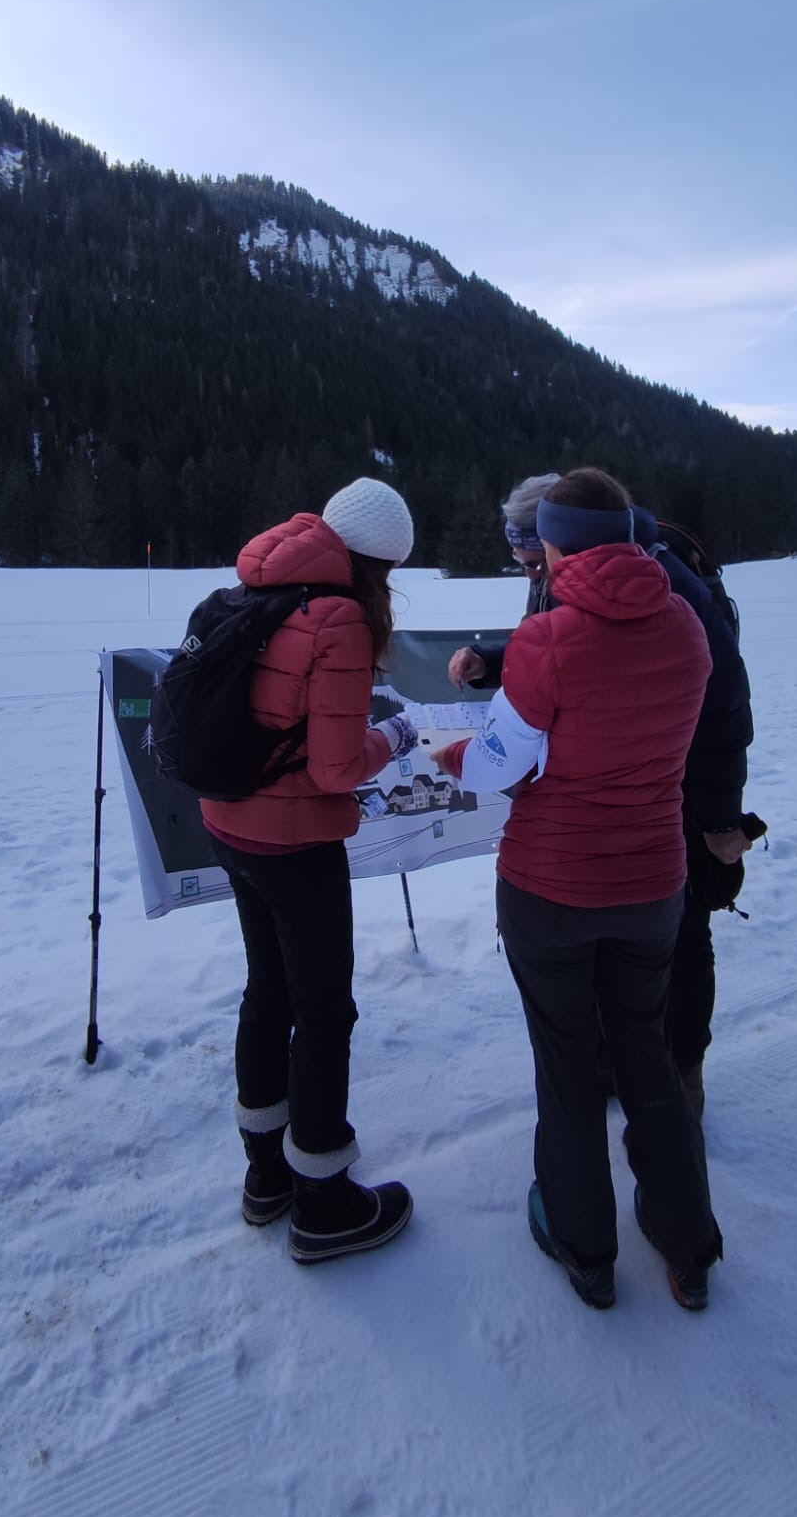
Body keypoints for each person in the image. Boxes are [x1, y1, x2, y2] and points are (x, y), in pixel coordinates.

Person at [433, 467, 723, 1311]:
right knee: (648, 1058)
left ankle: (583, 1244)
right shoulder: (686, 626)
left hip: (552, 889)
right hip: (652, 887)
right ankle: (688, 1246)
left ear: (554, 546)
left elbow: (497, 767)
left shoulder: (551, 639)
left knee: (567, 1066)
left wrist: (459, 755)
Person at [449, 475, 754, 1115]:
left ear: (569, 543)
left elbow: (726, 704)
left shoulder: (676, 590)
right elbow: (582, 646)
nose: (533, 575)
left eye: (537, 560)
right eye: (525, 565)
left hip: (676, 788)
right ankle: (622, 1069)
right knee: (621, 947)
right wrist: (497, 660)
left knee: (683, 937)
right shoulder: (573, 575)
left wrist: (721, 814)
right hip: (624, 794)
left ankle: (680, 1077)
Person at [203, 478, 418, 1265]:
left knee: (268, 993)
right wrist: (392, 739)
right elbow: (334, 770)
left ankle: (266, 1176)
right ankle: (325, 1200)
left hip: (231, 825)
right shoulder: (338, 619)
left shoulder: (258, 584)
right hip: (295, 846)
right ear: (376, 564)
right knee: (324, 1013)